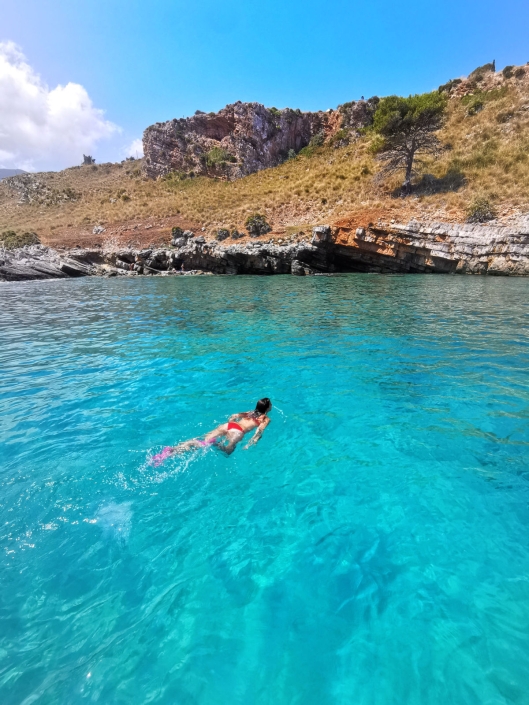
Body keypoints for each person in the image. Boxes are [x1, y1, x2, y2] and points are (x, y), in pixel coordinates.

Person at [151, 398, 272, 464]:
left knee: (202, 441)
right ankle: (215, 444)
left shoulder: (250, 412)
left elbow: (234, 416)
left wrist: (231, 422)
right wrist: (251, 443)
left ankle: (170, 451)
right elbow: (259, 432)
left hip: (229, 425)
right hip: (238, 431)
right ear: (267, 408)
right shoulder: (265, 419)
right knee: (227, 452)